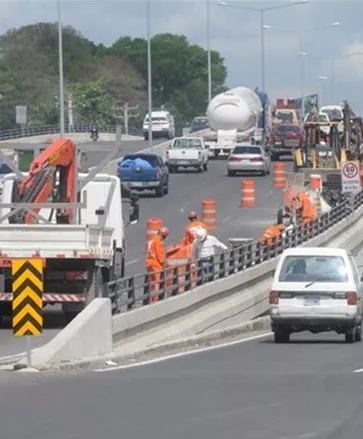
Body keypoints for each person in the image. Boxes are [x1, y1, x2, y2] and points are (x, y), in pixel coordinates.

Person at [146, 226, 169, 303]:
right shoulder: (158, 242)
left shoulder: (151, 240)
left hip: (149, 264)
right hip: (156, 265)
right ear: (163, 235)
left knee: (150, 284)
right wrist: (165, 264)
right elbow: (160, 256)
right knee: (156, 284)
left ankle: (149, 300)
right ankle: (155, 301)